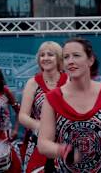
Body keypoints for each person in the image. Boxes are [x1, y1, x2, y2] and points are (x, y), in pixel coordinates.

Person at [37, 37, 101, 172]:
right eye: (66, 57)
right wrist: (64, 150)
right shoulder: (53, 98)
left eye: (76, 56)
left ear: (90, 60)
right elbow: (43, 144)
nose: (71, 61)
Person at [19, 41, 68, 172]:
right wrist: (41, 126)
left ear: (58, 58)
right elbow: (23, 116)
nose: (45, 58)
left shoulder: (69, 81)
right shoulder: (33, 83)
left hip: (65, 141)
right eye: (42, 55)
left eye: (50, 54)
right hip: (39, 142)